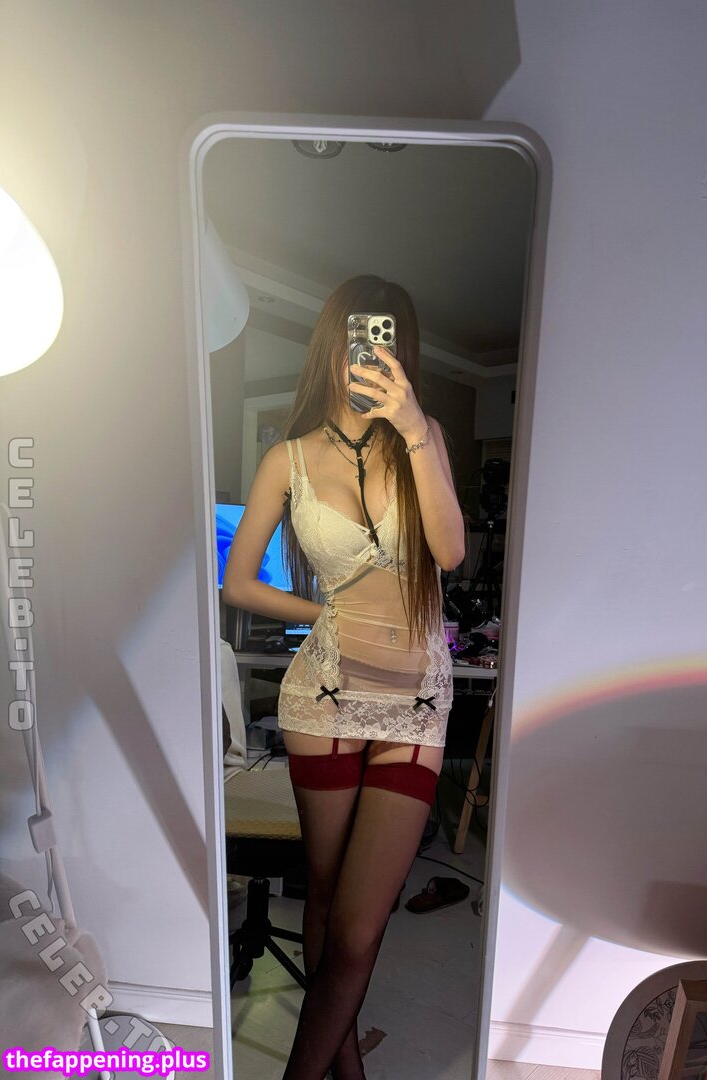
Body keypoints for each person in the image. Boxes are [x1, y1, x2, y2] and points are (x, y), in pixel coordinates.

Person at [222, 274, 465, 1080]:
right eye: (360, 339)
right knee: (324, 896)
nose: (371, 356)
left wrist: (414, 425)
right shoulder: (287, 459)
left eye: (387, 342)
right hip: (323, 695)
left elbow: (451, 553)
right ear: (335, 345)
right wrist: (321, 611)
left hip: (415, 703)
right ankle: (345, 1071)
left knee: (361, 925)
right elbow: (238, 583)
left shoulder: (421, 437)